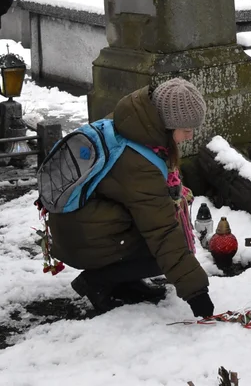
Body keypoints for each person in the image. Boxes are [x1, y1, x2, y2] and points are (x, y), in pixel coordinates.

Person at [48, 78, 215, 318]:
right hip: (82, 238)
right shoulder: (138, 161)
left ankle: (123, 282)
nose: (190, 136)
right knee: (162, 248)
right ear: (167, 126)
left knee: (157, 231)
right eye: (187, 130)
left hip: (81, 227)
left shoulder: (131, 126)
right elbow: (162, 232)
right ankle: (97, 282)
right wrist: (197, 293)